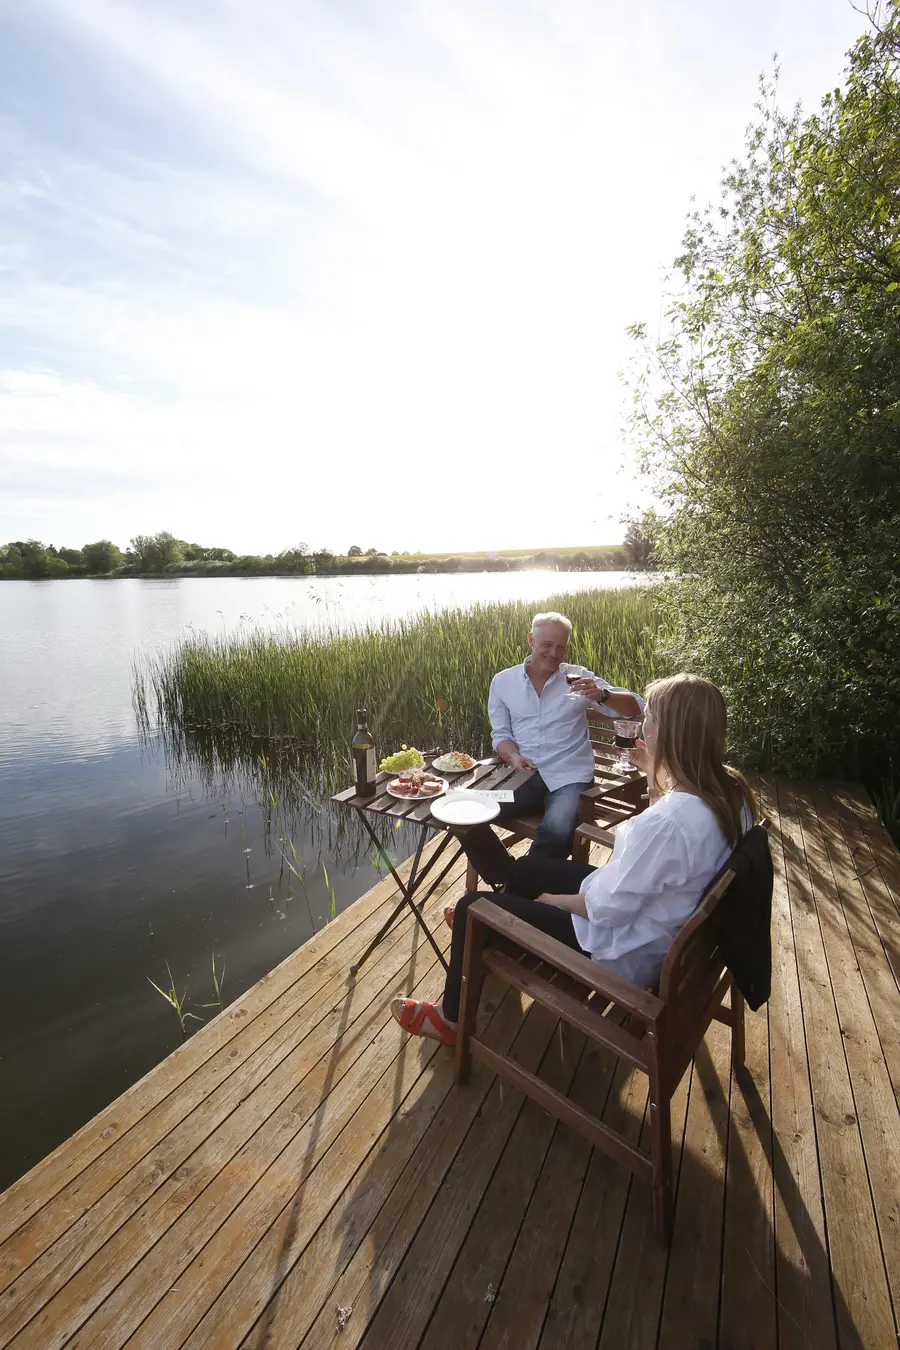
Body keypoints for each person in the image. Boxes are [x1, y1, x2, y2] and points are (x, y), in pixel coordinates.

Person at [391, 672, 757, 1046]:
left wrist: (552, 903)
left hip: (615, 949)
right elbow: (658, 861)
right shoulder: (732, 793)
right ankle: (495, 932)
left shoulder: (667, 824)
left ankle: (453, 1017)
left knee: (471, 906)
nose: (643, 723)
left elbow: (607, 909)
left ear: (672, 734)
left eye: (651, 717)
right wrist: (652, 775)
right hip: (651, 923)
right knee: (529, 868)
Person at [458, 611, 644, 885]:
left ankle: (512, 891)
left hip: (570, 779)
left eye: (561, 646)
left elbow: (636, 707)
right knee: (468, 810)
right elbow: (501, 735)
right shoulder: (503, 682)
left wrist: (603, 694)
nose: (554, 653)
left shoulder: (578, 678)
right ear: (532, 640)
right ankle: (508, 879)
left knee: (556, 830)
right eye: (547, 644)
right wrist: (513, 757)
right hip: (525, 777)